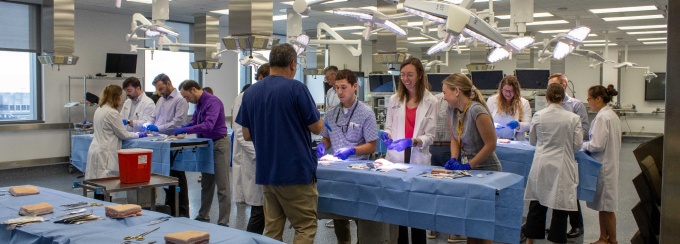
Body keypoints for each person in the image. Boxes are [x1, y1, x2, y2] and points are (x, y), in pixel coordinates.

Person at [236, 43, 326, 243]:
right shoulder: (297, 89)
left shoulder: (251, 93)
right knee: (305, 226)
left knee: (272, 228)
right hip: (295, 172)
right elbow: (317, 128)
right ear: (293, 65)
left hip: (268, 173)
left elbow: (246, 133)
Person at [318, 69, 378, 244]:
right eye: (336, 88)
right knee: (338, 211)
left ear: (354, 86)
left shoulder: (366, 113)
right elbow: (326, 138)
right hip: (336, 170)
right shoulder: (331, 113)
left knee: (359, 211)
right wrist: (321, 147)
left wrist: (352, 150)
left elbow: (372, 145)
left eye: (343, 87)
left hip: (358, 170)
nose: (339, 92)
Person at [382, 57, 437, 244]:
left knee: (417, 211)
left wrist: (413, 141)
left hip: (417, 158)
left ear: (420, 75)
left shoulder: (432, 101)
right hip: (396, 158)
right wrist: (386, 135)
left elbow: (431, 136)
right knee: (399, 211)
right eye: (403, 75)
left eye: (410, 75)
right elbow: (388, 126)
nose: (406, 79)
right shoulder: (394, 99)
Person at [441, 73, 500, 244]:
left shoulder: (477, 111)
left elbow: (491, 144)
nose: (444, 97)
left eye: (445, 93)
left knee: (483, 227)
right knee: (471, 225)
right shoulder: (452, 111)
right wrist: (454, 159)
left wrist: (469, 166)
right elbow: (454, 138)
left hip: (487, 170)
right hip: (471, 171)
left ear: (457, 91)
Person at [524, 83, 583, 244]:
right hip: (562, 165)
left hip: (542, 164)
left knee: (537, 202)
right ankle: (557, 240)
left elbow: (532, 141)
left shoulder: (539, 115)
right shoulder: (573, 118)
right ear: (563, 98)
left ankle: (530, 240)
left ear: (547, 98)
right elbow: (578, 145)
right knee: (560, 205)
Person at [176, 80, 231, 227]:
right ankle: (203, 216)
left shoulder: (213, 102)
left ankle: (223, 222)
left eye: (186, 97)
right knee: (206, 183)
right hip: (207, 145)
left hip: (219, 144)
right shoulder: (199, 104)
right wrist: (182, 126)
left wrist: (185, 130)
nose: (187, 100)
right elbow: (195, 121)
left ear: (193, 90)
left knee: (222, 186)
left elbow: (208, 125)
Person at [86, 85, 146, 200]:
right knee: (106, 185)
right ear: (116, 97)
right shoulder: (112, 113)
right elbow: (124, 134)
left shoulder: (100, 109)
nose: (122, 100)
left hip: (96, 149)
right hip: (106, 152)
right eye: (120, 96)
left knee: (98, 185)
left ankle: (100, 209)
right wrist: (139, 134)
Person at [142, 73, 189, 217]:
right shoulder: (160, 101)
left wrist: (159, 128)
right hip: (159, 143)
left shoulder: (180, 100)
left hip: (172, 144)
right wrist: (148, 126)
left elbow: (177, 123)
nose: (160, 92)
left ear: (169, 83)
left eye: (161, 88)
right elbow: (154, 118)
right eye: (158, 90)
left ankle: (181, 213)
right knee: (165, 179)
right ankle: (170, 209)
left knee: (177, 179)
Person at [548, 73, 588, 238]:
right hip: (553, 154)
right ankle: (557, 227)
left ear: (563, 86)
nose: (550, 89)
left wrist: (566, 141)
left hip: (571, 154)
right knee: (556, 190)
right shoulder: (547, 106)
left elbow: (584, 132)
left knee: (571, 191)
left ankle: (577, 225)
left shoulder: (576, 105)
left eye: (553, 86)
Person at [232, 63, 269, 234]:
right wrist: (262, 155)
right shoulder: (244, 97)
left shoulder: (269, 95)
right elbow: (241, 135)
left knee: (267, 211)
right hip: (254, 159)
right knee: (258, 210)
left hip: (268, 161)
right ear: (261, 78)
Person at [582, 85, 621, 244]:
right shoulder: (611, 115)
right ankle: (603, 238)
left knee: (607, 207)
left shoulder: (602, 118)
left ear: (599, 99)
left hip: (603, 167)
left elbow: (597, 144)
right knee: (604, 206)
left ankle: (612, 240)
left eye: (589, 99)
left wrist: (582, 145)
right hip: (609, 165)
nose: (588, 102)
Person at [486, 75, 532, 141]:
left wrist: (518, 125)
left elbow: (528, 125)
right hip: (496, 141)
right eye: (506, 91)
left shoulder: (524, 103)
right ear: (501, 89)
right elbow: (486, 121)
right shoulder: (492, 100)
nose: (508, 94)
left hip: (515, 141)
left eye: (511, 91)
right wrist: (492, 125)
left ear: (516, 91)